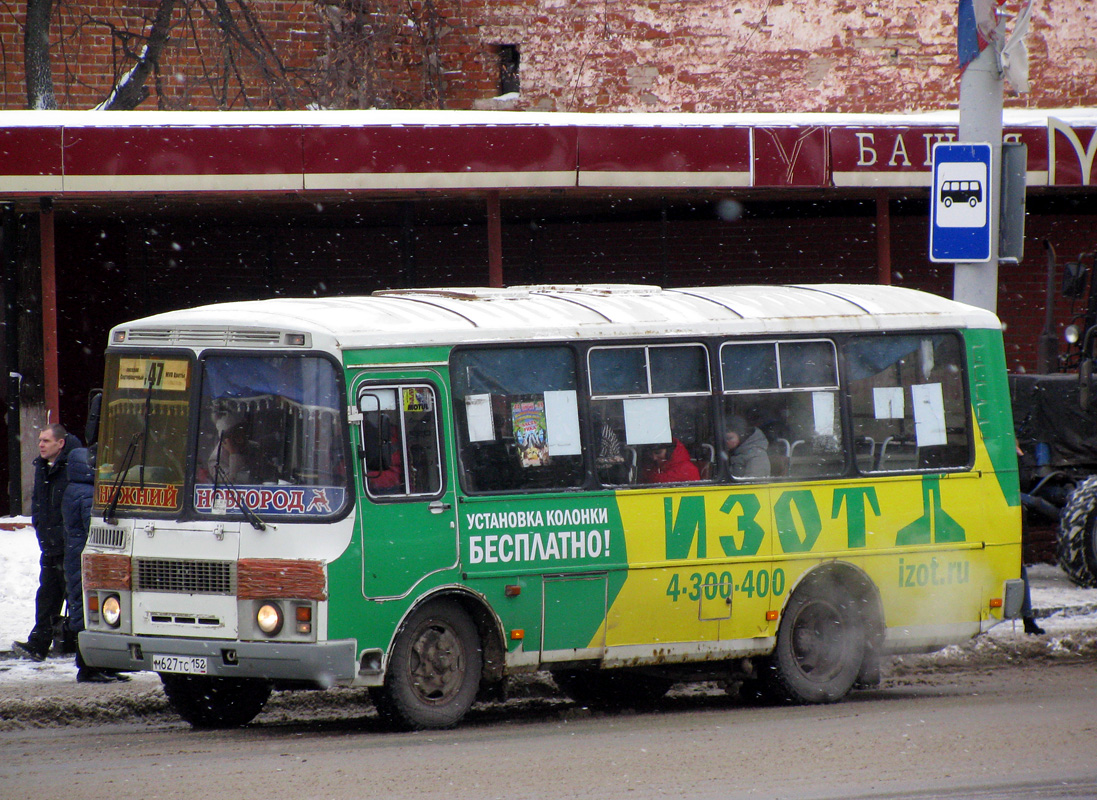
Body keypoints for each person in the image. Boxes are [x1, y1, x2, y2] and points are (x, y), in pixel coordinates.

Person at [13, 424, 81, 662]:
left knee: (77, 599)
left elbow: (73, 507)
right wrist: (41, 528)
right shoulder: (42, 467)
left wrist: (67, 537)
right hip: (51, 545)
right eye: (40, 440)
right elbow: (40, 504)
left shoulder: (75, 467)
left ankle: (84, 652)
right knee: (48, 596)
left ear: (60, 443)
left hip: (70, 546)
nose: (40, 444)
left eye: (46, 441)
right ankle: (38, 644)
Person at [62, 446, 128, 682]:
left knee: (82, 606)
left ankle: (95, 665)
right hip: (84, 556)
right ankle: (88, 667)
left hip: (74, 554)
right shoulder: (87, 492)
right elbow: (95, 526)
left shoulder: (74, 488)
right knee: (86, 609)